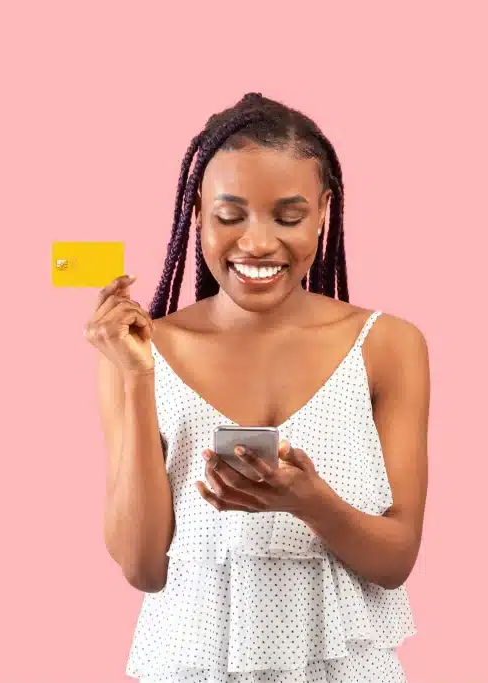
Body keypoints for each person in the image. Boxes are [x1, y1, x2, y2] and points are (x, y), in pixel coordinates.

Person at [86, 93, 430, 683]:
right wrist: (137, 377)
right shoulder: (141, 350)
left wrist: (308, 501)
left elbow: (395, 560)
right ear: (196, 214)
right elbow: (143, 568)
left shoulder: (388, 346)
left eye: (289, 217)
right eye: (230, 216)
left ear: (324, 212)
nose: (258, 243)